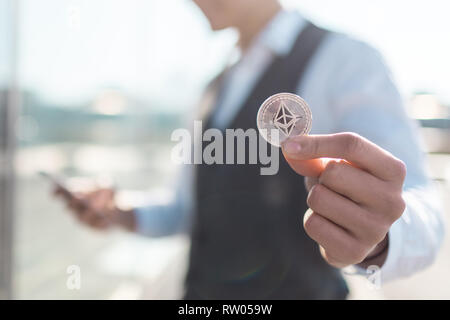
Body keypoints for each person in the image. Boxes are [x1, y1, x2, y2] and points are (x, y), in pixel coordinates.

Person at [55, 0, 444, 299]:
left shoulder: (345, 59)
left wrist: (380, 235)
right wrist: (120, 211)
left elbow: (420, 203)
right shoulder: (214, 87)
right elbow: (189, 210)